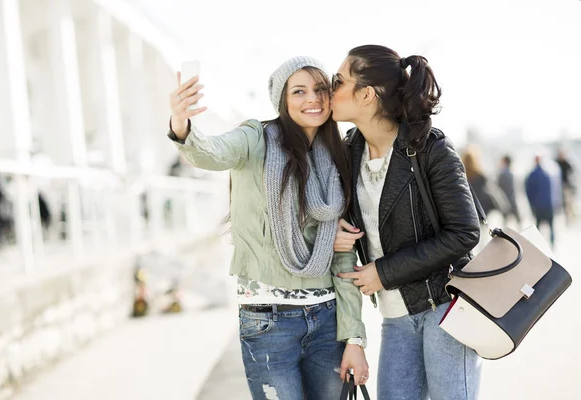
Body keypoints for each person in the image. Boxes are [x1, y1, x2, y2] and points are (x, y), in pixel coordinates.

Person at [166, 56, 368, 399]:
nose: (312, 99)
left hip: (327, 319)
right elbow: (211, 153)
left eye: (320, 90)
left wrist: (355, 338)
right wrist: (181, 123)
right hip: (268, 321)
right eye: (299, 91)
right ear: (282, 100)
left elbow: (344, 255)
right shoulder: (254, 138)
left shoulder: (335, 155)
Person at [330, 45, 482, 400]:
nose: (329, 88)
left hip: (445, 309)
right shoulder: (348, 151)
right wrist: (333, 228)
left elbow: (464, 232)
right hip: (394, 317)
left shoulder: (430, 147)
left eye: (339, 81)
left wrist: (384, 272)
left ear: (366, 94)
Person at [526, 154, 559, 246]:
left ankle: (539, 246)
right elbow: (554, 190)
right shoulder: (548, 174)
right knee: (551, 226)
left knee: (538, 227)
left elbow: (528, 191)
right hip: (549, 205)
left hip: (538, 206)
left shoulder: (532, 175)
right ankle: (553, 245)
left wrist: (532, 204)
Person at [497, 155, 521, 228]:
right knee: (519, 223)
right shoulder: (513, 173)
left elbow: (498, 188)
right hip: (513, 200)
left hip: (505, 201)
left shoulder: (502, 174)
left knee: (505, 225)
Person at [555, 149, 576, 223]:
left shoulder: (567, 163)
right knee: (562, 203)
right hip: (558, 186)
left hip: (566, 186)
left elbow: (572, 174)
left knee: (568, 203)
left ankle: (571, 217)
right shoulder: (556, 163)